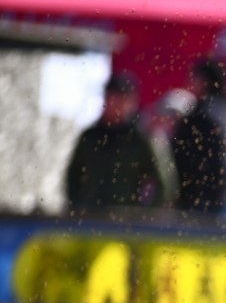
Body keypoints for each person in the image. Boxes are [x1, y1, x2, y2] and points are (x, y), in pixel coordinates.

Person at [64, 73, 169, 215]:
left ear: (132, 102)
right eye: (111, 98)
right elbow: (73, 175)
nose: (115, 105)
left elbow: (162, 184)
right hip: (90, 216)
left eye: (121, 100)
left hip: (126, 218)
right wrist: (77, 206)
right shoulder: (90, 137)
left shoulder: (140, 139)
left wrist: (144, 214)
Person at [169, 58, 226, 217]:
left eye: (193, 78)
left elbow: (184, 155)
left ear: (205, 81)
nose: (189, 83)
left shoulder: (202, 113)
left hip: (198, 197)